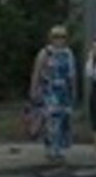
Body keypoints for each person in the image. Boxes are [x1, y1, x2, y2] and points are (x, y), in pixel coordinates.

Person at [31, 26, 77, 163]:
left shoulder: (68, 53)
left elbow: (72, 74)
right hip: (49, 90)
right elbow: (37, 72)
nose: (59, 40)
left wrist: (74, 90)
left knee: (64, 120)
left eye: (62, 37)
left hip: (64, 90)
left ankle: (60, 149)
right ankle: (51, 149)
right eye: (56, 37)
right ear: (51, 38)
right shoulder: (45, 53)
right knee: (51, 119)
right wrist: (33, 90)